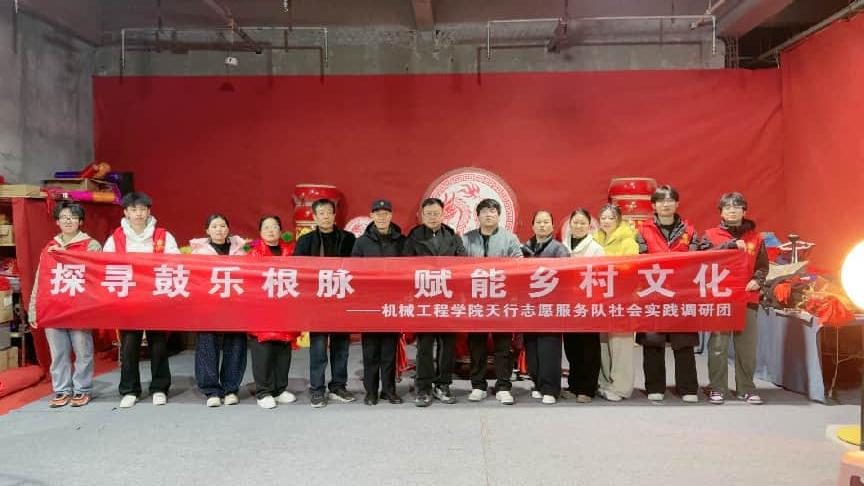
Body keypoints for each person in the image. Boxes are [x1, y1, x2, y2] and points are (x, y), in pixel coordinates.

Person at [103, 192, 180, 409]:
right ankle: (130, 390)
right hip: (128, 299)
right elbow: (105, 264)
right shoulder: (116, 238)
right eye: (133, 209)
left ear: (149, 211)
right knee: (129, 345)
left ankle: (160, 388)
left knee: (158, 344)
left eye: (142, 209)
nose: (138, 213)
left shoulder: (163, 236)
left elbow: (175, 261)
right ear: (126, 213)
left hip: (156, 298)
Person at [28, 202, 101, 408]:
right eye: (63, 217)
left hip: (80, 307)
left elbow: (95, 275)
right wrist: (33, 309)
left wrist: (65, 255)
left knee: (82, 350)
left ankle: (82, 389)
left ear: (81, 221)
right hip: (53, 308)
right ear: (57, 222)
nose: (68, 220)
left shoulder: (91, 245)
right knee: (58, 352)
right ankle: (62, 389)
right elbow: (40, 279)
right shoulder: (49, 248)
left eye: (73, 217)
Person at [635, 185, 701, 403]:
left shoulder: (689, 230)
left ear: (677, 204)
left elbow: (697, 259)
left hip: (682, 294)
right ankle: (655, 387)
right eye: (661, 201)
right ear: (653, 205)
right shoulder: (642, 230)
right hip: (652, 293)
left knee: (684, 343)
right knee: (652, 342)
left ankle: (688, 388)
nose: (666, 204)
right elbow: (639, 259)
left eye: (670, 200)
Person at [702, 192, 768, 405]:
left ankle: (746, 388)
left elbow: (762, 266)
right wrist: (729, 246)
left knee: (746, 348)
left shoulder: (756, 238)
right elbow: (702, 259)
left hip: (747, 298)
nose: (732, 210)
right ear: (720, 212)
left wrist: (758, 280)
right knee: (718, 346)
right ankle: (717, 387)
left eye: (737, 207)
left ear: (744, 211)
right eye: (727, 207)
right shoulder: (710, 235)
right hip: (720, 299)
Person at [294, 198, 357, 408]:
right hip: (318, 302)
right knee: (318, 348)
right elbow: (297, 270)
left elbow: (358, 268)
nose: (326, 216)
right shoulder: (306, 241)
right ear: (314, 216)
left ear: (334, 214)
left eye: (329, 212)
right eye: (321, 213)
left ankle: (338, 386)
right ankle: (317, 389)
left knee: (341, 347)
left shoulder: (348, 239)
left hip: (342, 300)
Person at [403, 197, 466, 407]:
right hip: (424, 298)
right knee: (425, 345)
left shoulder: (453, 237)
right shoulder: (413, 237)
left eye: (436, 213)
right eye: (428, 213)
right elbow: (405, 267)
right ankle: (423, 387)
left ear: (443, 214)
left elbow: (463, 265)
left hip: (448, 298)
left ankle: (443, 385)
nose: (432, 217)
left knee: (448, 345)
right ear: (422, 215)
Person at [461, 198, 522, 405]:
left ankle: (503, 386)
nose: (489, 215)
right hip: (475, 300)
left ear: (499, 215)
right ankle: (478, 385)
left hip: (501, 300)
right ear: (478, 216)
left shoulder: (510, 238)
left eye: (493, 211)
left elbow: (519, 265)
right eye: (485, 211)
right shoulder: (466, 239)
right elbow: (458, 268)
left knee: (503, 345)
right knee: (476, 344)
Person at [351, 199, 406, 405]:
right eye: (378, 213)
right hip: (370, 304)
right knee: (370, 350)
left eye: (385, 213)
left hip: (393, 302)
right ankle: (371, 391)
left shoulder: (402, 241)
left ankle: (389, 390)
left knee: (389, 350)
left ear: (391, 216)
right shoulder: (361, 242)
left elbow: (410, 269)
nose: (382, 217)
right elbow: (353, 272)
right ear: (371, 216)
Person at [189, 214, 247, 407]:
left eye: (222, 226)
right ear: (207, 230)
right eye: (214, 226)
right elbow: (194, 279)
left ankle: (231, 389)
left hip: (236, 306)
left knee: (236, 345)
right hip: (209, 306)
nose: (219, 230)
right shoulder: (198, 253)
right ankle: (211, 390)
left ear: (228, 229)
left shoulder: (241, 250)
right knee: (207, 346)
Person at [247, 215, 299, 409]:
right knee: (264, 353)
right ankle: (264, 391)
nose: (271, 230)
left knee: (282, 352)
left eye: (275, 226)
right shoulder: (253, 252)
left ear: (280, 230)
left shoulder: (290, 251)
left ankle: (279, 389)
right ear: (260, 232)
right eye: (266, 227)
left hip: (285, 309)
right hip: (262, 310)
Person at [521, 210, 570, 405]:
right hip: (530, 306)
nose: (542, 225)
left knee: (549, 348)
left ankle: (551, 388)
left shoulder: (560, 249)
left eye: (546, 222)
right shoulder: (524, 249)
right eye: (539, 222)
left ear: (552, 226)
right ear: (532, 226)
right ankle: (538, 384)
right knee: (532, 348)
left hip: (551, 306)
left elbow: (566, 277)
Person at [592, 204, 640, 402]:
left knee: (620, 344)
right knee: (603, 343)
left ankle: (621, 388)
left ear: (619, 220)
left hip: (622, 298)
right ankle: (605, 383)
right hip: (600, 298)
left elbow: (631, 268)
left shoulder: (628, 241)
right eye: (603, 217)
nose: (606, 221)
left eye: (611, 218)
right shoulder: (594, 239)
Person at [560, 208, 604, 403]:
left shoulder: (596, 249)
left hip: (588, 304)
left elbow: (602, 278)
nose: (578, 226)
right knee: (572, 347)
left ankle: (587, 388)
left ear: (589, 226)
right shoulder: (562, 246)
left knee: (589, 348)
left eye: (582, 223)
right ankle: (573, 385)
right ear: (570, 224)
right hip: (568, 304)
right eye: (575, 222)